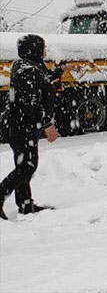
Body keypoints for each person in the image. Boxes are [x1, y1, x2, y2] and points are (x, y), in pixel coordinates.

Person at [0, 34, 75, 220]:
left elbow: (43, 78)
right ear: (34, 49)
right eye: (43, 47)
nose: (45, 50)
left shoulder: (27, 65)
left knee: (24, 164)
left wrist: (61, 70)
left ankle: (25, 204)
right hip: (21, 125)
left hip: (19, 124)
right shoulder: (28, 70)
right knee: (27, 166)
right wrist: (48, 124)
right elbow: (31, 102)